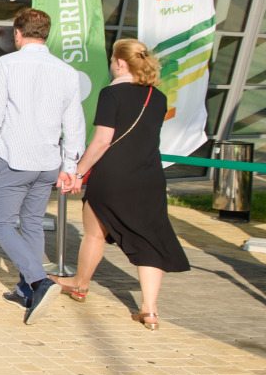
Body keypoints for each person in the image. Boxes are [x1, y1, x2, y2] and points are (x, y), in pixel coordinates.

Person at [46, 39, 189, 330]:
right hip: (149, 177)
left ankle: (79, 284)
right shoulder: (158, 97)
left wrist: (79, 171)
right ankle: (149, 310)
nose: (112, 65)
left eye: (112, 59)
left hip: (113, 175)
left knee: (95, 234)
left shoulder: (111, 94)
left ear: (120, 63)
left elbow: (102, 141)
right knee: (149, 239)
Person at [0, 7, 84, 324]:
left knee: (1, 224)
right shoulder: (66, 71)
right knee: (33, 224)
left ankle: (40, 281)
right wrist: (71, 164)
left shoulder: (7, 64)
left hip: (16, 158)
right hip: (48, 162)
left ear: (18, 33)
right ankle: (26, 291)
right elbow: (74, 123)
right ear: (45, 34)